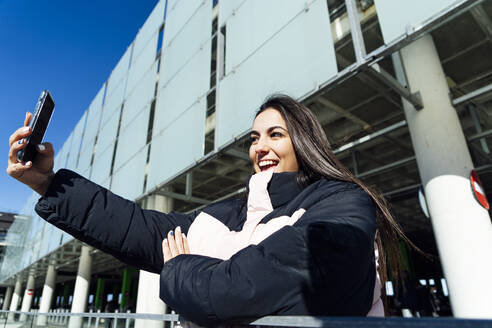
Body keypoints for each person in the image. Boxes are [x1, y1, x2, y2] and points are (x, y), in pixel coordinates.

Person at [7, 95, 410, 326]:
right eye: (254, 138)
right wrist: (47, 182)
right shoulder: (231, 213)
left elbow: (247, 288)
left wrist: (180, 268)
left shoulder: (342, 201)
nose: (260, 147)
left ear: (305, 142)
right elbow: (140, 227)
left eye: (275, 134)